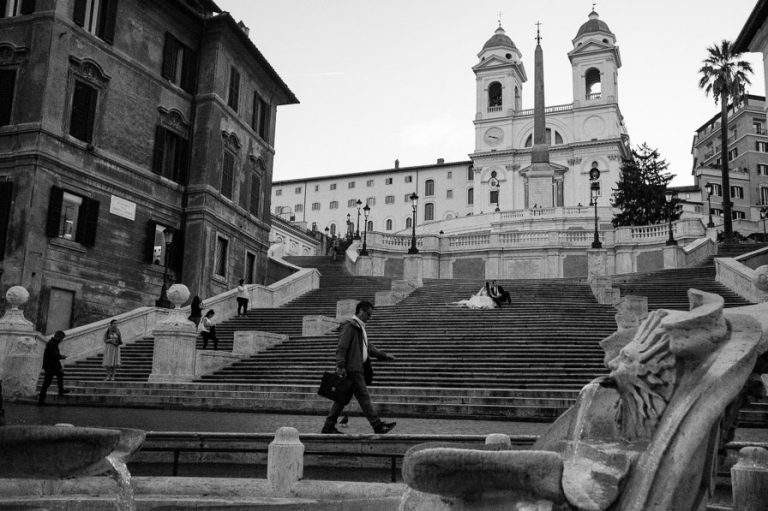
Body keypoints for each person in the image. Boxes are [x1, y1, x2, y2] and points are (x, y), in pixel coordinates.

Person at [322, 300, 397, 435]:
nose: (369, 317)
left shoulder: (359, 328)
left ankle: (328, 427)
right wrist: (340, 366)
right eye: (368, 314)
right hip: (352, 370)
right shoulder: (350, 326)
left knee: (341, 399)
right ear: (361, 311)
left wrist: (384, 356)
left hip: (356, 368)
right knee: (364, 397)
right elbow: (342, 347)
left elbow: (368, 348)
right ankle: (378, 425)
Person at [38, 331, 69, 406]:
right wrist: (61, 357)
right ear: (58, 337)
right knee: (46, 383)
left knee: (60, 374)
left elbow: (55, 356)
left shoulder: (52, 343)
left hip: (52, 365)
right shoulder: (52, 344)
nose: (61, 341)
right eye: (61, 339)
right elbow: (55, 356)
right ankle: (41, 401)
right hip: (50, 366)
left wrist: (59, 366)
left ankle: (61, 391)